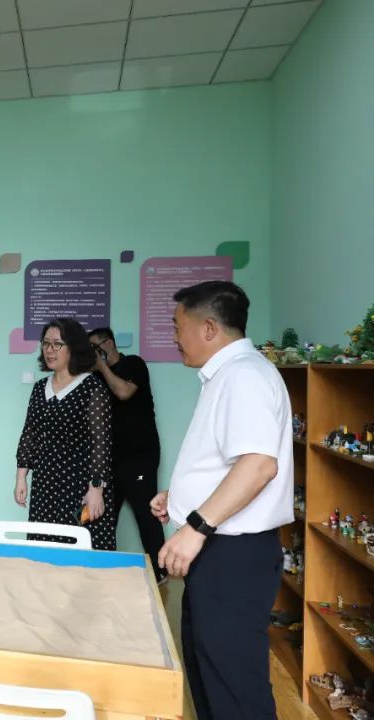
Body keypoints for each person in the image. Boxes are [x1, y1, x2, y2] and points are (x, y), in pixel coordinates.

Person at [150, 281, 292, 720]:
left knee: (234, 689)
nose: (175, 337)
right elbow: (230, 462)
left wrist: (195, 526)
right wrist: (181, 498)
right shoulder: (229, 375)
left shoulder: (243, 376)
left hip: (233, 556)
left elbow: (258, 465)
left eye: (178, 327)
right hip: (220, 552)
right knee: (209, 676)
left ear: (209, 328)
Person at [16, 318, 115, 550]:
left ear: (74, 348)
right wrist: (21, 477)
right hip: (45, 484)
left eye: (57, 344)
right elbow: (30, 434)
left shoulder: (92, 388)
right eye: (46, 343)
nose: (49, 350)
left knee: (79, 547)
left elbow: (101, 444)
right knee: (44, 548)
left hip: (81, 487)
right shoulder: (40, 388)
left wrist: (96, 489)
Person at [88, 327, 167, 582]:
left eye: (96, 346)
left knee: (146, 514)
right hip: (110, 458)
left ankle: (160, 572)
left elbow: (124, 392)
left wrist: (102, 367)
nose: (93, 352)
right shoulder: (95, 377)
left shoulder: (134, 363)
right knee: (102, 516)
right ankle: (99, 569)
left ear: (109, 343)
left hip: (140, 455)